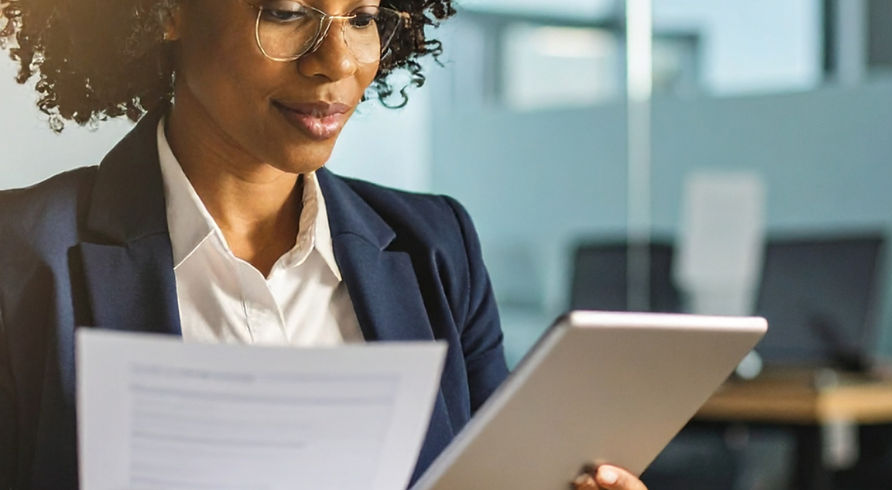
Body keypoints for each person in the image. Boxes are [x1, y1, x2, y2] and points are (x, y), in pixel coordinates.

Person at [0, 0, 649, 488]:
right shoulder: (23, 253)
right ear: (171, 11)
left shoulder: (437, 247)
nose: (337, 61)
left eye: (362, 17)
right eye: (287, 12)